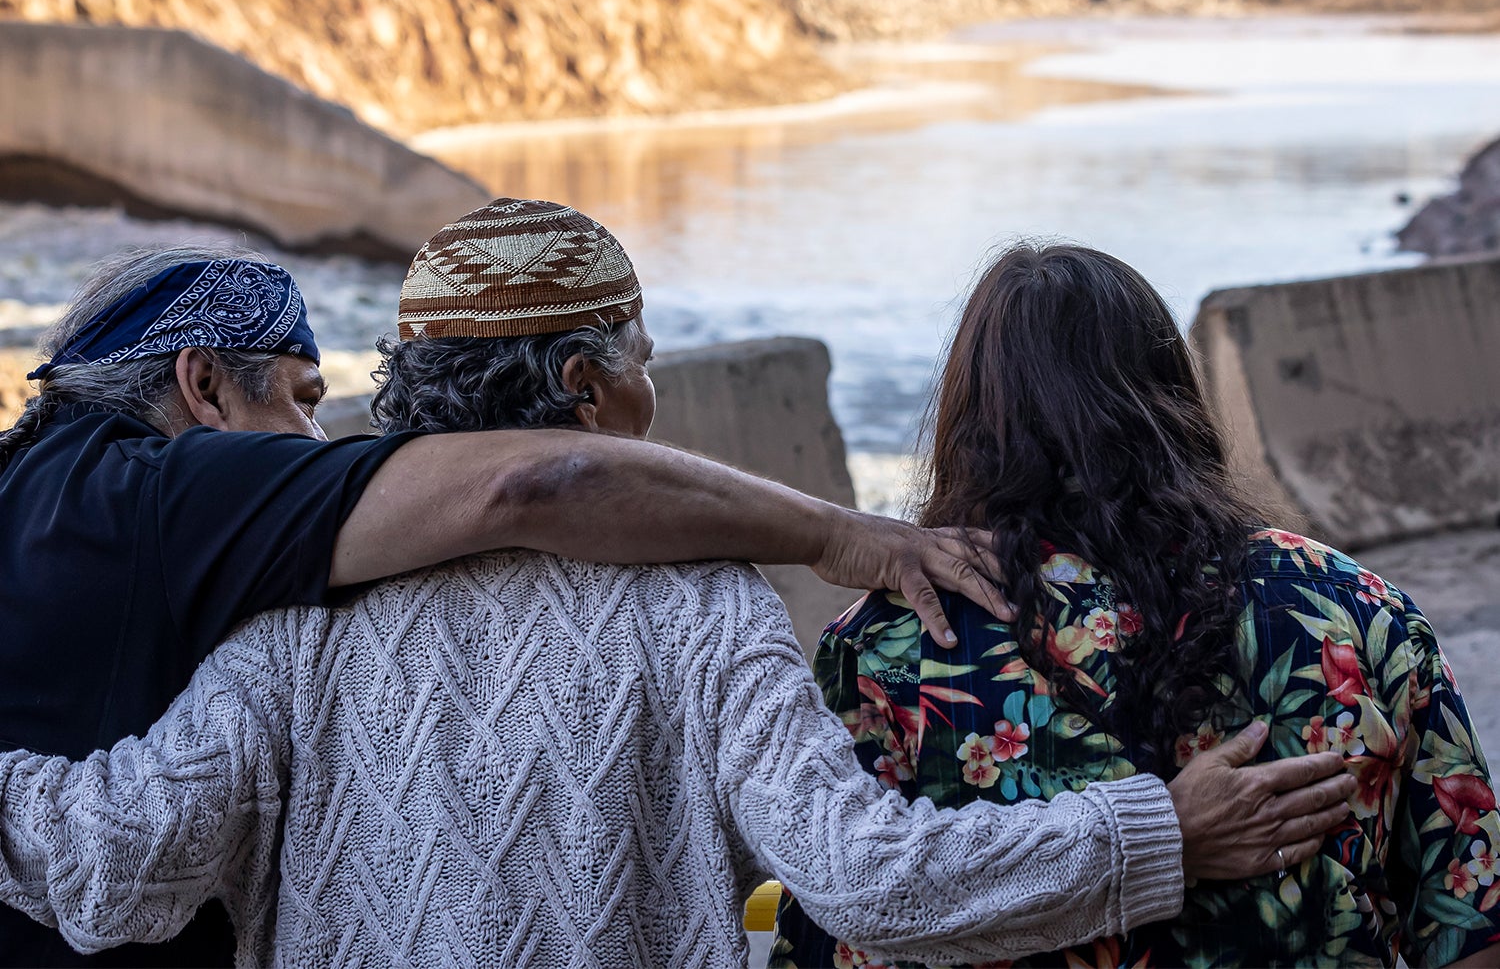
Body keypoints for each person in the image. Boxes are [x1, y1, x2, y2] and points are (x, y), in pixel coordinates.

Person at [0, 202, 1353, 967]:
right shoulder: (695, 606)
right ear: (588, 388)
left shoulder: (291, 617)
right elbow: (876, 884)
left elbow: (108, 864)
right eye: (639, 351)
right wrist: (1158, 837)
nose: (650, 379)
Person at [773, 241, 1500, 969]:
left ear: (970, 418)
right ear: (1174, 393)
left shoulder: (888, 651)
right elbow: (1471, 925)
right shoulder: (1359, 609)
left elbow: (842, 929)